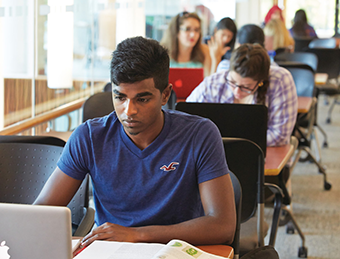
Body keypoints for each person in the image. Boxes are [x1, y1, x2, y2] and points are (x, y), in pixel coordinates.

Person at [34, 36, 236, 247]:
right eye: (120, 97)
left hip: (176, 251)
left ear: (165, 95)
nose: (128, 111)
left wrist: (137, 234)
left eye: (142, 99)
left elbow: (222, 227)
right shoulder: (89, 137)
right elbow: (41, 213)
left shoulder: (200, 134)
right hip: (112, 251)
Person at [187, 43, 298, 147]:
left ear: (261, 82)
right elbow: (186, 119)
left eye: (246, 87)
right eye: (232, 82)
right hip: (215, 152)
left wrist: (236, 143)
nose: (237, 91)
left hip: (262, 154)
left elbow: (280, 135)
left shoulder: (280, 81)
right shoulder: (214, 83)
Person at [161, 12, 213, 77]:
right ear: (176, 31)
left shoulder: (205, 51)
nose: (193, 35)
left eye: (196, 30)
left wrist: (216, 58)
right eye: (187, 29)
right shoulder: (162, 53)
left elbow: (209, 82)